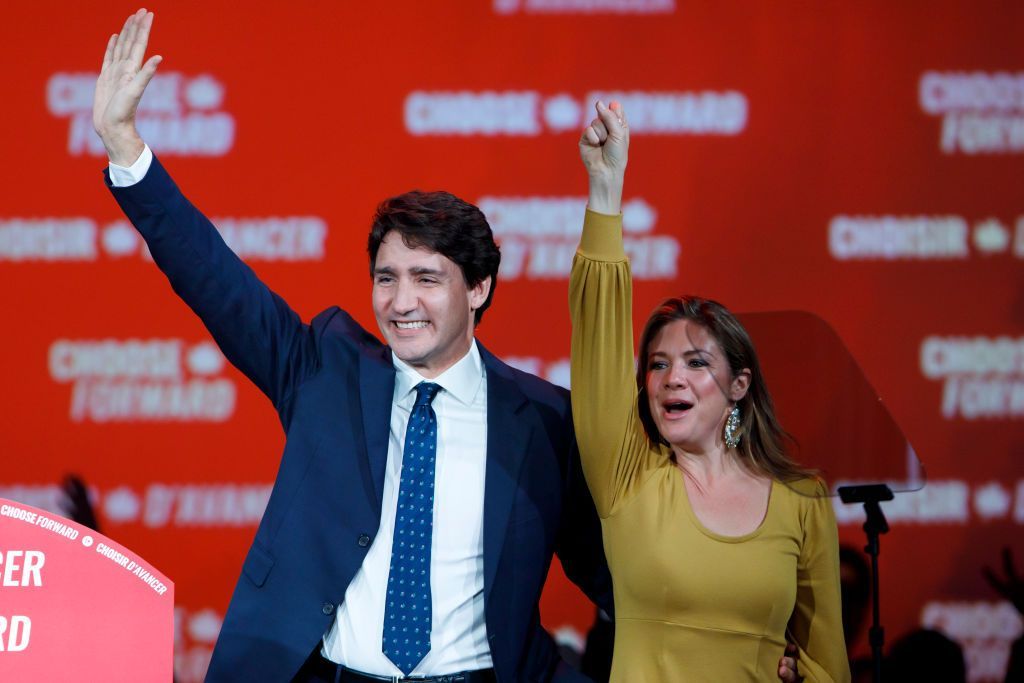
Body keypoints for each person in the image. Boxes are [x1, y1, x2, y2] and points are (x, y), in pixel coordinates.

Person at [93, 10, 612, 682]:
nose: (400, 302)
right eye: (387, 277)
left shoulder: (543, 421)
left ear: (479, 287)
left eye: (427, 279)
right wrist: (125, 147)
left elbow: (622, 580)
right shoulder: (326, 368)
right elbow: (216, 281)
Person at [569, 100, 850, 682]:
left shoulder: (803, 500)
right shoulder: (628, 478)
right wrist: (605, 190)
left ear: (739, 385)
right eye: (658, 364)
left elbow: (830, 665)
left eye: (697, 363)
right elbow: (598, 340)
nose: (671, 378)